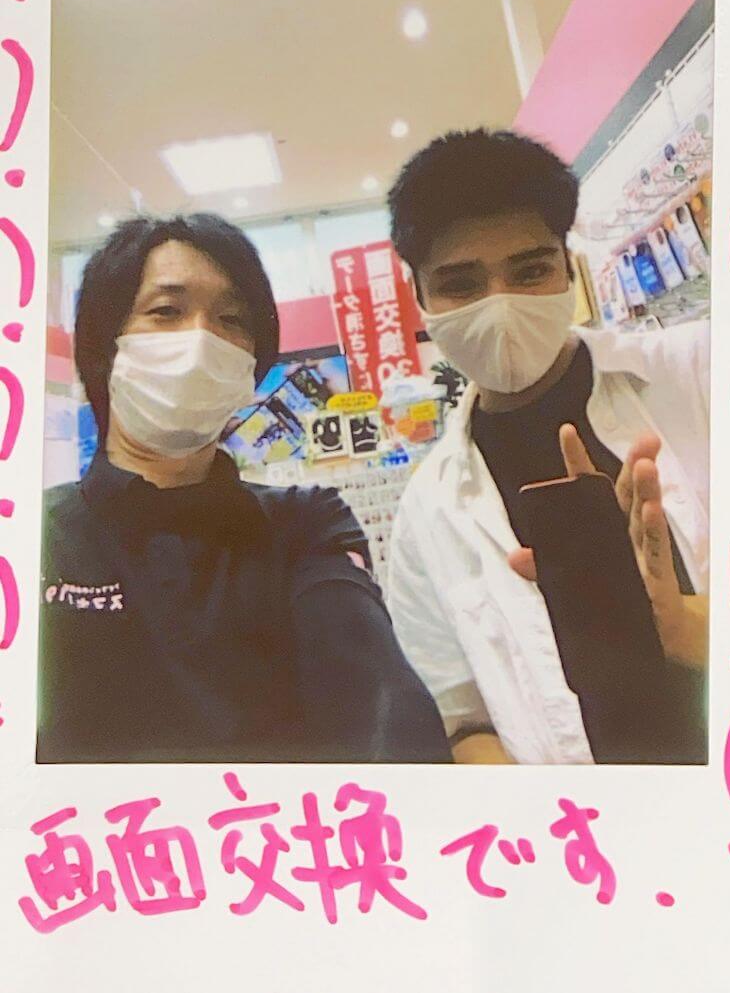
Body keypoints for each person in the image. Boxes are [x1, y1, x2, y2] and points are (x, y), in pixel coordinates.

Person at [39, 213, 451, 765]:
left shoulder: (305, 522)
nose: (203, 337)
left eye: (232, 319)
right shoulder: (34, 540)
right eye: (166, 311)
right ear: (103, 345)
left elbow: (376, 698)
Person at [386, 128, 708, 766]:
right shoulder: (425, 517)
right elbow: (462, 717)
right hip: (582, 820)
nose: (500, 307)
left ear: (568, 266)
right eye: (460, 283)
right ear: (420, 295)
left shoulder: (704, 374)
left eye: (530, 271)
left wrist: (686, 628)